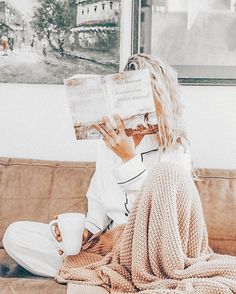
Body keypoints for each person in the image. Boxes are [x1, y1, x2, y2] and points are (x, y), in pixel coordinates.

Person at [3, 54, 236, 292]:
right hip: (112, 244)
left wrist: (128, 158)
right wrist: (87, 231)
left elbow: (160, 218)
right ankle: (100, 271)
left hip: (154, 249)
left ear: (159, 99)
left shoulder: (175, 149)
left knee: (89, 279)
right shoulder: (110, 144)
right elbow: (99, 202)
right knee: (15, 235)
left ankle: (118, 274)